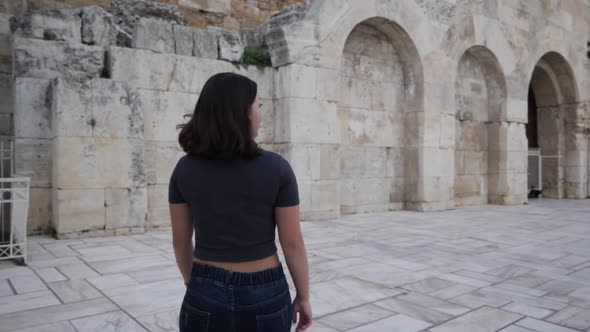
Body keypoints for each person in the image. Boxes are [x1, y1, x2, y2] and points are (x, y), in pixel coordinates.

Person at [168, 72, 312, 332]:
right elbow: (292, 242)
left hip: (204, 288)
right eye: (258, 105)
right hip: (265, 291)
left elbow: (180, 241)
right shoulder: (277, 168)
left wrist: (196, 284)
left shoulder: (184, 169)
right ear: (242, 112)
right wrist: (303, 296)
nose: (261, 113)